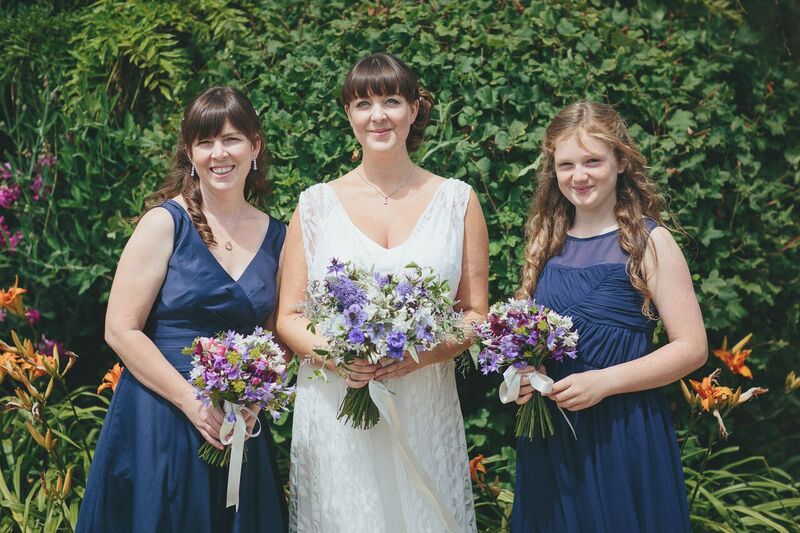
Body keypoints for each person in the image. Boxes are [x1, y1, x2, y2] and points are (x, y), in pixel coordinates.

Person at [276, 52, 488, 532]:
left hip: (423, 400)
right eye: (363, 104)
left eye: (392, 100)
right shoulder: (315, 206)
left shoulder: (458, 201)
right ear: (348, 115)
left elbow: (475, 313)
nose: (378, 116)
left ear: (414, 109)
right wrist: (342, 359)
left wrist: (424, 353)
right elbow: (288, 315)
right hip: (337, 404)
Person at [77, 87, 288, 532]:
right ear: (190, 154)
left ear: (255, 146)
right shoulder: (164, 223)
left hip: (237, 427)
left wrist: (254, 401)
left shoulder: (280, 238)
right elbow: (121, 329)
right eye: (205, 142)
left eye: (231, 139)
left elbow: (277, 339)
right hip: (159, 421)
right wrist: (193, 403)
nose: (219, 154)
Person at [510, 101, 707, 532]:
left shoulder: (649, 243)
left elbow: (692, 348)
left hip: (621, 433)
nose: (579, 176)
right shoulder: (548, 244)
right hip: (551, 439)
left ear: (620, 161)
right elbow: (530, 342)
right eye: (566, 164)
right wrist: (524, 376)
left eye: (592, 161)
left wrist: (605, 382)